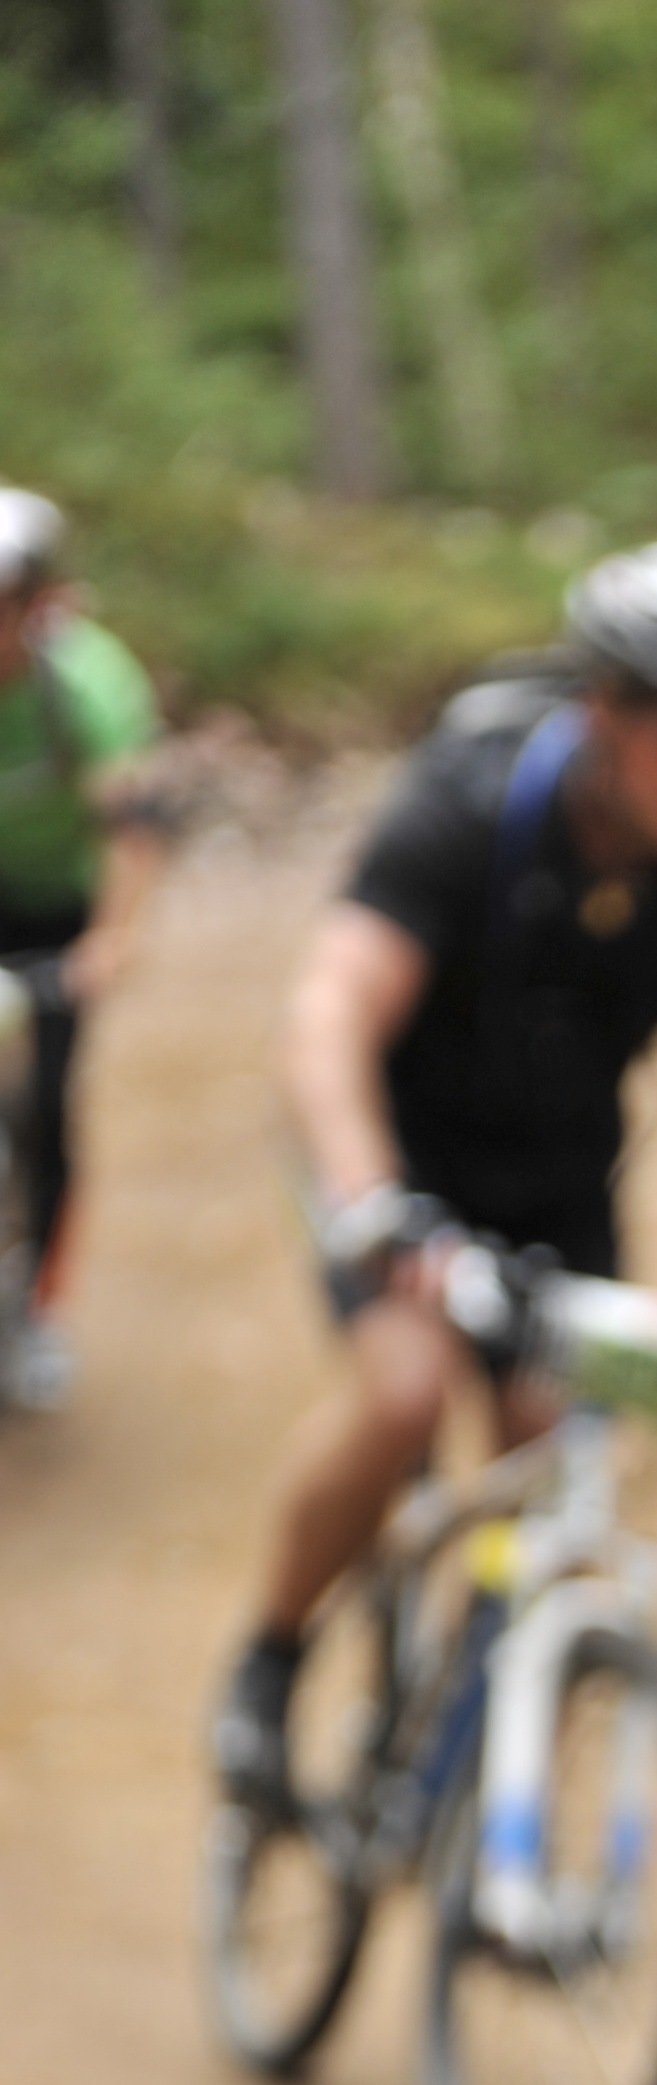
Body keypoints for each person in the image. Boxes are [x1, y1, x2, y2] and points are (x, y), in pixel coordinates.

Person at [210, 541, 657, 1817]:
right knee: (404, 1393)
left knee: (555, 1461)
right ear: (604, 706)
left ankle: (489, 1757)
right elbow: (326, 1020)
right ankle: (269, 1659)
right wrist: (376, 1208)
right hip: (393, 1161)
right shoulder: (472, 806)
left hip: (557, 1180)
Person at [0, 487, 170, 1408]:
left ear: (38, 607)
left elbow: (130, 829)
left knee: (43, 1112)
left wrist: (110, 942)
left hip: (55, 918)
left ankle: (37, 1307)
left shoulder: (87, 684)